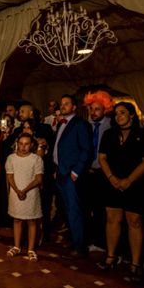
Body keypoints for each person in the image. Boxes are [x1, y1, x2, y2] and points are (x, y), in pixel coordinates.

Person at [96, 102, 144, 282]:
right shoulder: (109, 134)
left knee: (134, 222)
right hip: (112, 183)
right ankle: (111, 257)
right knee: (112, 219)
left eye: (123, 113)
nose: (118, 116)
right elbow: (102, 158)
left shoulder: (143, 135)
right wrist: (112, 178)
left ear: (131, 115)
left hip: (136, 184)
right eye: (116, 113)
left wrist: (129, 180)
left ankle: (135, 264)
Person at [52, 94, 92, 259]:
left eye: (67, 104)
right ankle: (73, 240)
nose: (63, 106)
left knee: (74, 211)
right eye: (62, 104)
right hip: (59, 172)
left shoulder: (80, 124)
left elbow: (86, 150)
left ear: (74, 107)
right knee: (65, 210)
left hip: (70, 174)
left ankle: (80, 247)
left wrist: (76, 172)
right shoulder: (62, 123)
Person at [83, 90, 114, 251]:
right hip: (87, 173)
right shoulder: (86, 125)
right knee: (87, 208)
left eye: (97, 109)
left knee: (102, 210)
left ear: (106, 109)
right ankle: (89, 240)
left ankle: (102, 242)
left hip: (105, 173)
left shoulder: (111, 126)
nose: (93, 112)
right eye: (91, 109)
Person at [5, 132, 43, 261]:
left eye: (26, 144)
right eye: (21, 144)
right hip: (16, 193)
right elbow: (9, 176)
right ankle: (17, 246)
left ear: (31, 145)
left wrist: (25, 190)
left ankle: (31, 249)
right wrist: (17, 190)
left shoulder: (36, 159)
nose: (23, 147)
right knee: (17, 219)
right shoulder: (11, 158)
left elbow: (38, 179)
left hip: (31, 193)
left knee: (32, 221)